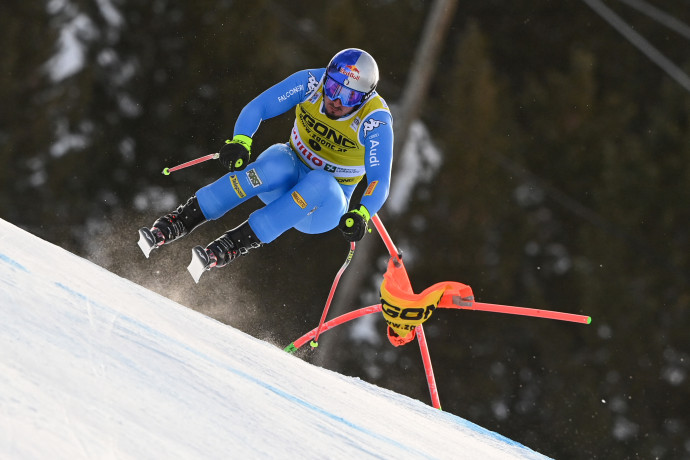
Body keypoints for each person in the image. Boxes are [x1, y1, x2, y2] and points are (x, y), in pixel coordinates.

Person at [137, 48, 394, 281]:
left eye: (348, 96)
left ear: (363, 98)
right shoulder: (312, 83)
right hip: (287, 176)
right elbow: (259, 106)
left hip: (320, 208)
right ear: (326, 78)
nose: (336, 101)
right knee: (276, 162)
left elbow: (379, 180)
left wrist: (362, 213)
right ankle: (179, 220)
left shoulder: (375, 121)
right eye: (334, 88)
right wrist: (241, 141)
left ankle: (232, 244)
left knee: (320, 181)